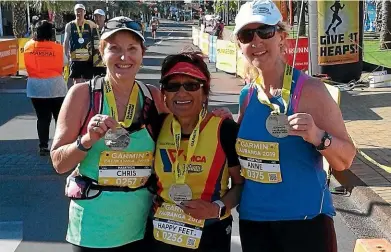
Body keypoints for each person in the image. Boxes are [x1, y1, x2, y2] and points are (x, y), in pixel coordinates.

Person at [233, 1, 356, 252]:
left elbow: (345, 160)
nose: (256, 41)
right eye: (247, 34)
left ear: (281, 37)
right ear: (239, 44)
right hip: (254, 222)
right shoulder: (247, 95)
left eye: (265, 31)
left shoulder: (310, 90)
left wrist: (318, 136)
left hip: (304, 223)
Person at [50, 16, 167, 251]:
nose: (124, 57)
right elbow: (59, 163)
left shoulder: (153, 97)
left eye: (132, 49)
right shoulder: (82, 95)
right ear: (102, 52)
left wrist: (216, 117)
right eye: (115, 49)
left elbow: (179, 138)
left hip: (141, 228)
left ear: (142, 53)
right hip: (93, 231)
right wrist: (86, 140)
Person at [147, 53, 243, 252]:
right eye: (173, 86)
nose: (181, 93)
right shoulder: (157, 125)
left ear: (205, 92)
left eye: (191, 86)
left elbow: (242, 185)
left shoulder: (224, 129)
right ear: (164, 93)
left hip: (210, 232)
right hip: (162, 232)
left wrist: (216, 208)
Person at [24, 20, 68, 156]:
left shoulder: (28, 46)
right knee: (59, 117)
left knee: (42, 118)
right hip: (56, 87)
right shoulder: (57, 48)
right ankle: (60, 144)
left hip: (35, 87)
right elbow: (65, 62)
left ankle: (43, 145)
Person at [63, 4, 96, 84]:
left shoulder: (90, 24)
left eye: (81, 11)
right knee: (76, 82)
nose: (79, 13)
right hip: (75, 58)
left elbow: (96, 39)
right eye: (77, 11)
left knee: (88, 82)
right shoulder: (69, 25)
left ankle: (87, 96)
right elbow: (66, 41)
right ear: (74, 12)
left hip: (88, 58)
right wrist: (65, 55)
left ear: (84, 12)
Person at [92, 9, 106, 77]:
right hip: (96, 62)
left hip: (106, 61)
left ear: (104, 18)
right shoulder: (92, 30)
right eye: (96, 17)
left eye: (100, 16)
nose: (98, 19)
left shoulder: (108, 30)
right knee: (96, 82)